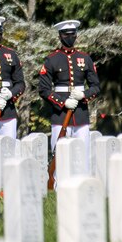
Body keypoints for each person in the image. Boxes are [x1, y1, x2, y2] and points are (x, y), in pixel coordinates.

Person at [37, 19, 101, 167]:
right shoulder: (51, 60)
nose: (70, 37)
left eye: (72, 34)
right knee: (59, 158)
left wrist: (84, 95)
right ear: (60, 36)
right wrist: (62, 102)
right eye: (66, 35)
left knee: (82, 157)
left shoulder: (85, 58)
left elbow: (96, 87)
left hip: (80, 114)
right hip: (60, 115)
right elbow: (44, 90)